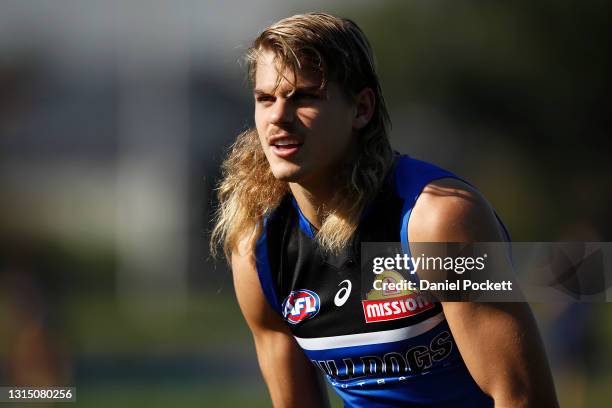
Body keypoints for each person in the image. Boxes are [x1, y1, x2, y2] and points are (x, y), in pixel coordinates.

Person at [211, 12, 558, 407]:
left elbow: (525, 397)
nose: (278, 117)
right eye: (265, 99)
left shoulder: (441, 219)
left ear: (361, 109)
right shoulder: (260, 248)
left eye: (305, 96)